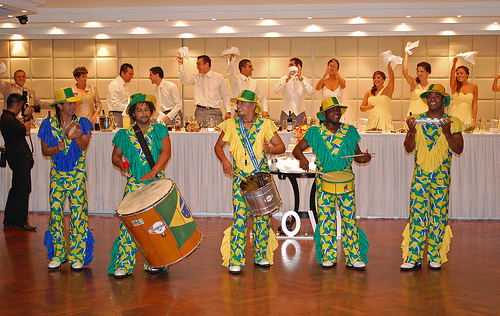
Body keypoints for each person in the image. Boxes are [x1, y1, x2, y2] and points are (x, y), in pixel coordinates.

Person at [293, 97, 371, 270]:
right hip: (324, 181)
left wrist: (364, 158)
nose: (336, 112)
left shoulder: (349, 131)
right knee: (327, 219)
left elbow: (357, 155)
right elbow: (296, 149)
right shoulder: (315, 131)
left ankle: (354, 257)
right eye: (332, 110)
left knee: (349, 220)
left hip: (346, 182)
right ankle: (328, 255)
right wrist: (303, 159)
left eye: (338, 110)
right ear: (325, 114)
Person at [215, 90, 285, 274]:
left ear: (253, 106)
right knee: (239, 218)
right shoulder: (230, 125)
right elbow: (218, 146)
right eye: (238, 103)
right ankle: (236, 259)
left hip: (260, 179)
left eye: (243, 103)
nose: (238, 106)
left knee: (262, 219)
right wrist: (224, 160)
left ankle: (261, 255)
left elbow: (282, 147)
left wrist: (270, 148)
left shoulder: (265, 125)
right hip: (240, 179)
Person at [401, 84, 464, 271]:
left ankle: (435, 255)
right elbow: (408, 147)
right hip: (420, 175)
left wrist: (446, 132)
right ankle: (413, 257)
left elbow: (458, 148)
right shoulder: (417, 121)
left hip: (441, 176)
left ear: (443, 100)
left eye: (436, 96)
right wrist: (411, 131)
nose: (432, 99)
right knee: (417, 215)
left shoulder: (453, 122)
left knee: (439, 214)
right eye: (429, 96)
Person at [108, 93, 171, 278]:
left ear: (151, 112)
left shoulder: (160, 130)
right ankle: (124, 264)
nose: (143, 113)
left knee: (155, 224)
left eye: (146, 109)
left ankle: (157, 261)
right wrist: (121, 164)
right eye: (139, 110)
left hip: (156, 184)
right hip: (133, 184)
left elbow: (166, 153)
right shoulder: (124, 134)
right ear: (133, 114)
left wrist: (153, 173)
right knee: (129, 225)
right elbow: (115, 156)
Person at [38, 87, 94, 270]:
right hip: (57, 177)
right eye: (70, 103)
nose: (73, 106)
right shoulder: (48, 124)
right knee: (56, 215)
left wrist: (77, 137)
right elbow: (45, 151)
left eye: (74, 103)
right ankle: (58, 253)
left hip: (77, 176)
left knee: (78, 214)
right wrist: (57, 149)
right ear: (60, 105)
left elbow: (84, 146)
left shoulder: (82, 123)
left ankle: (77, 256)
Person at [0, 93, 36, 230]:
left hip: (16, 157)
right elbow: (26, 131)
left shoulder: (7, 118)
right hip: (19, 158)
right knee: (23, 189)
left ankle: (10, 219)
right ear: (16, 104)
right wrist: (27, 116)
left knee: (16, 188)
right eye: (21, 105)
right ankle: (21, 221)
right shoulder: (8, 119)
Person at [177, 54, 231, 124]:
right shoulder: (196, 77)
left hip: (215, 112)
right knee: (199, 134)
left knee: (218, 134)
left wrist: (228, 111)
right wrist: (180, 64)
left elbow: (225, 95)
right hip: (200, 112)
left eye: (199, 64)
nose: (197, 67)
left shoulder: (218, 77)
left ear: (206, 64)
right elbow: (184, 81)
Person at [274, 58, 314, 125]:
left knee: (301, 133)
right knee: (284, 133)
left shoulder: (305, 80)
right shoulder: (283, 79)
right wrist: (287, 79)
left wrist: (301, 79)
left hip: (300, 112)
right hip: (286, 112)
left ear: (298, 66)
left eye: (291, 65)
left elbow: (310, 92)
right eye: (289, 65)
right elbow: (276, 90)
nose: (289, 67)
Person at [315, 58, 356, 123]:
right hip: (326, 111)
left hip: (339, 111)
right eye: (330, 66)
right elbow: (317, 88)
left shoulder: (341, 81)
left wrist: (336, 73)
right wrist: (325, 74)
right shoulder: (324, 82)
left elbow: (343, 86)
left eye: (334, 66)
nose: (332, 68)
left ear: (338, 68)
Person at [360, 64, 395, 131]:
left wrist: (389, 66)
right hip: (372, 120)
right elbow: (362, 108)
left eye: (378, 78)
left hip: (384, 120)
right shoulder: (369, 92)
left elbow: (392, 79)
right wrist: (367, 107)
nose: (376, 79)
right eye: (374, 78)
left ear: (383, 80)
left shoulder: (387, 90)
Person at [448, 57, 478, 124]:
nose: (459, 75)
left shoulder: (474, 87)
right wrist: (454, 63)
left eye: (461, 73)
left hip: (468, 116)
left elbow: (474, 104)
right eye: (457, 74)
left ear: (467, 74)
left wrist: (474, 119)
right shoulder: (454, 86)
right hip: (455, 115)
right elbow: (452, 75)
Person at [403, 52, 432, 118]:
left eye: (422, 71)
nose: (419, 73)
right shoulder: (414, 83)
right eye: (418, 71)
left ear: (428, 73)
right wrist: (406, 55)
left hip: (425, 118)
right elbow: (405, 72)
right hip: (412, 117)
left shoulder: (431, 87)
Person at [107, 63, 134, 127]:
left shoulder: (124, 85)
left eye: (132, 74)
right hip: (116, 115)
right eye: (130, 74)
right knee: (118, 135)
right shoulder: (114, 84)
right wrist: (129, 107)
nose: (131, 76)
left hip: (124, 115)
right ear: (122, 73)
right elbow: (114, 104)